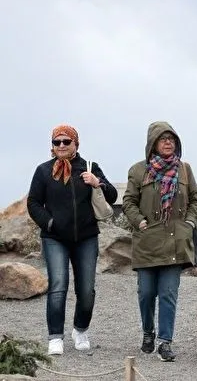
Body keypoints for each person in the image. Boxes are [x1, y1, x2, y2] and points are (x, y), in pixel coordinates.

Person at [26, 124, 118, 355]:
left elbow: (113, 196)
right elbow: (34, 203)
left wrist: (97, 183)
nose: (62, 146)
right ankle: (55, 336)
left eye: (67, 141)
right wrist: (50, 223)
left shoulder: (89, 167)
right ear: (52, 146)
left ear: (76, 143)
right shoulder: (43, 171)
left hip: (86, 237)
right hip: (54, 237)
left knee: (87, 290)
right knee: (58, 286)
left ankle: (81, 329)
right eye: (57, 142)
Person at [122, 121, 197, 362]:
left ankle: (165, 342)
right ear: (152, 144)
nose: (168, 142)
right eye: (163, 138)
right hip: (147, 240)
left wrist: (189, 222)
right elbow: (128, 202)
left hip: (174, 241)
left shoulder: (184, 170)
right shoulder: (138, 170)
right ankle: (148, 332)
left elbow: (195, 200)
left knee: (168, 293)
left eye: (172, 138)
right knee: (146, 293)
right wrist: (140, 222)